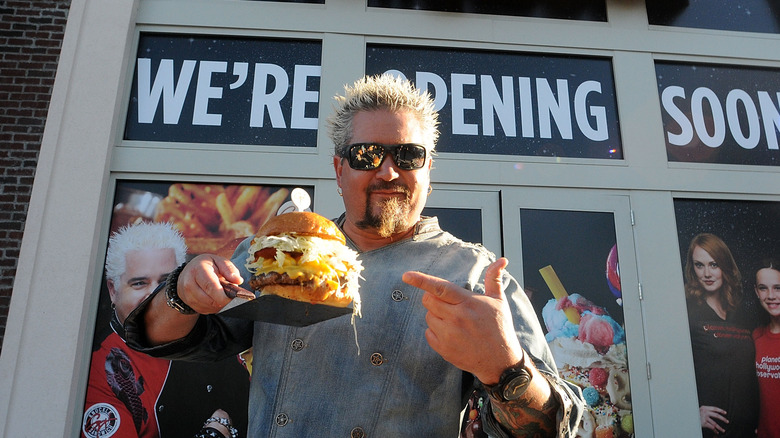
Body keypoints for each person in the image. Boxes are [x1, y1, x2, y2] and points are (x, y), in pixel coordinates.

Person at [123, 74, 584, 437]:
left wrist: (506, 370)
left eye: (408, 155)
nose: (388, 171)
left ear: (429, 170)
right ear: (339, 168)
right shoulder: (283, 252)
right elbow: (165, 338)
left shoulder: (474, 273)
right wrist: (182, 294)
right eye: (367, 155)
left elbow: (557, 429)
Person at [82, 222, 248, 438]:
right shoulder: (100, 368)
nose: (153, 295)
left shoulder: (217, 333)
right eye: (139, 283)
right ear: (113, 290)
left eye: (165, 281)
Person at [683, 233, 758, 437]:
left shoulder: (741, 312)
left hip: (748, 431)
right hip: (713, 433)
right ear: (693, 268)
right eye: (700, 265)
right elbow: (665, 369)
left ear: (725, 266)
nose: (707, 273)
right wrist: (691, 411)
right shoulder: (686, 312)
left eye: (713, 264)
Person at [752, 258, 780, 438]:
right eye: (763, 288)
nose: (771, 295)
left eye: (778, 288)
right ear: (756, 292)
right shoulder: (756, 336)